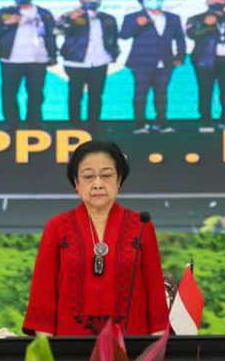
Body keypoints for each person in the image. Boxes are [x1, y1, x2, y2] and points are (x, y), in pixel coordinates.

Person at [23, 140, 169, 336]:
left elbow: (156, 296)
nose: (98, 184)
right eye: (88, 176)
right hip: (70, 345)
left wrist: (157, 347)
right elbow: (43, 295)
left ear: (119, 181)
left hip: (130, 346)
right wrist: (44, 350)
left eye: (107, 175)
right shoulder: (57, 227)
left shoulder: (142, 226)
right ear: (76, 183)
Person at [120, 0, 186, 134]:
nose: (155, 0)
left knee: (162, 95)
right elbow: (124, 35)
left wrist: (180, 57)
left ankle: (161, 123)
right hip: (141, 62)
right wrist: (138, 25)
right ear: (142, 1)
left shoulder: (173, 18)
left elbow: (180, 38)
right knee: (140, 95)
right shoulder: (132, 17)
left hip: (166, 62)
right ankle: (140, 125)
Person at [0, 0, 57, 127]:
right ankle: (11, 123)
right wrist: (6, 23)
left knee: (36, 93)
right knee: (9, 93)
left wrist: (53, 54)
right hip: (11, 59)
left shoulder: (44, 13)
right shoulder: (3, 12)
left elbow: (51, 34)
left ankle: (34, 123)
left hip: (38, 59)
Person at [57, 0, 120, 128]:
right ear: (81, 0)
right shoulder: (70, 15)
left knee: (96, 95)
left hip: (100, 61)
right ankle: (75, 125)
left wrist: (114, 54)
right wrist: (70, 19)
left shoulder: (108, 18)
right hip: (75, 61)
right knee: (75, 95)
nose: (92, 1)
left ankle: (94, 125)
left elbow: (114, 38)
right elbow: (57, 30)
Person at [185, 0, 225, 131]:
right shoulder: (195, 19)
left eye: (221, 0)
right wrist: (206, 25)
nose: (217, 3)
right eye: (213, 0)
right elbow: (192, 35)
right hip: (205, 60)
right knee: (205, 91)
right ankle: (205, 121)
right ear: (207, 3)